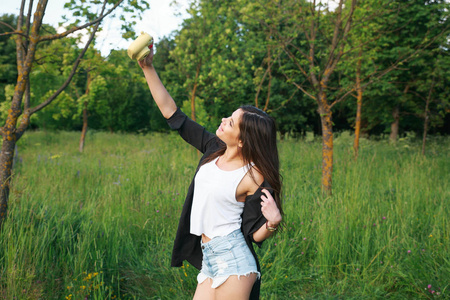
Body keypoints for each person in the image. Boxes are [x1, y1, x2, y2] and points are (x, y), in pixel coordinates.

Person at [138, 46, 283, 300]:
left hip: (235, 260)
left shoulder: (254, 175)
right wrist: (148, 68)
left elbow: (255, 233)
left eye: (231, 122)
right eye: (230, 116)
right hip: (209, 258)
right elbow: (173, 115)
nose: (224, 120)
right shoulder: (213, 149)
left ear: (243, 141)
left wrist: (272, 222)